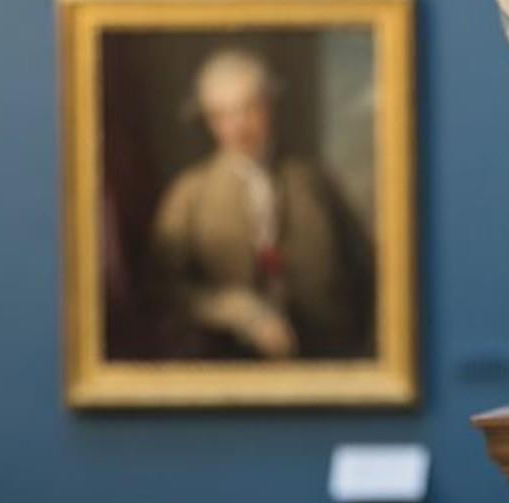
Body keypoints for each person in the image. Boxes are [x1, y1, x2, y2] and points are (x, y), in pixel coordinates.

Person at [151, 48, 374, 361]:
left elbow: (366, 271)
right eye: (222, 116)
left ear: (270, 106)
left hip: (327, 360)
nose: (238, 127)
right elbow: (165, 291)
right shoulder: (188, 195)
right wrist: (239, 312)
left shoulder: (315, 183)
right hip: (227, 364)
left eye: (249, 109)